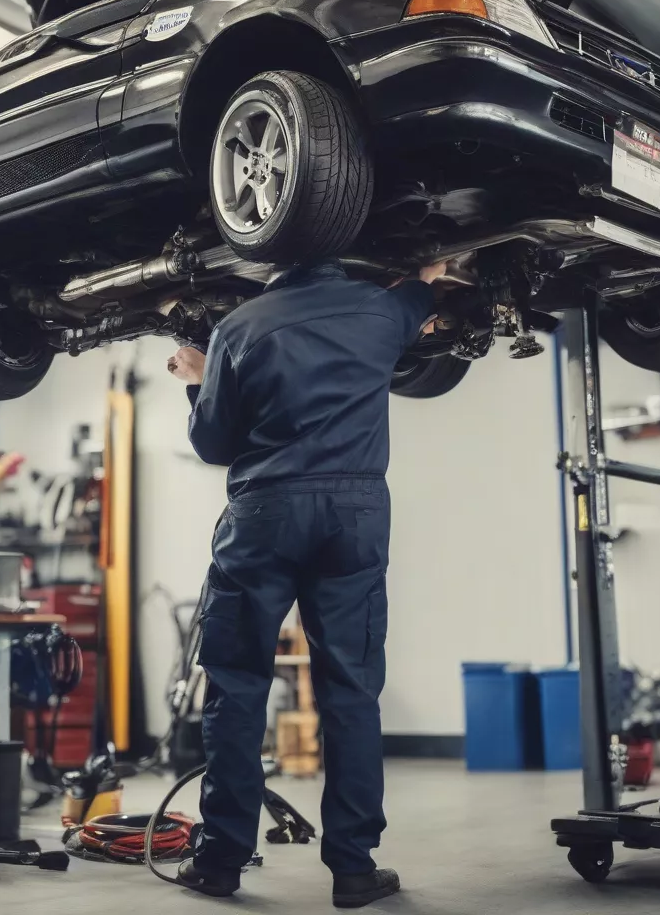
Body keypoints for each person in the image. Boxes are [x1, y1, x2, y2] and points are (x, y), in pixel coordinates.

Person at [168, 257, 447, 908]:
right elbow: (418, 294)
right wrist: (426, 273)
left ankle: (220, 860)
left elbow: (213, 444)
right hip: (353, 516)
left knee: (237, 686)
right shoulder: (380, 310)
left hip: (264, 513)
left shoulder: (239, 326)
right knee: (350, 685)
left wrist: (199, 378)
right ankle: (353, 868)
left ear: (265, 262)